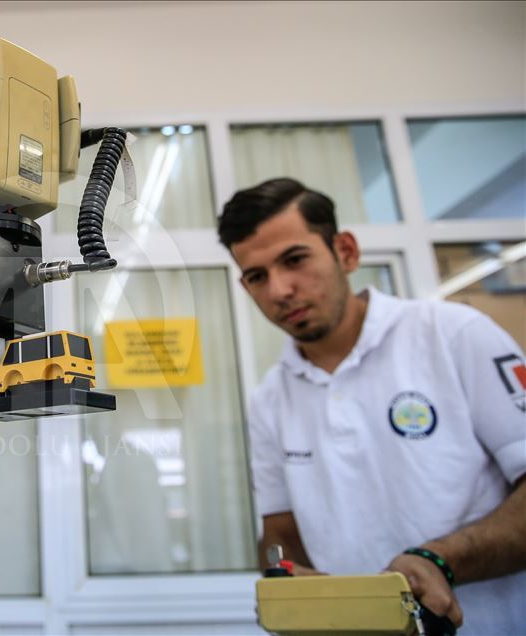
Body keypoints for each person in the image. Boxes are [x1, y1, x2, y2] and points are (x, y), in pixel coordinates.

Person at [218, 178, 526, 634]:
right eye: (257, 276)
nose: (280, 290)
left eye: (295, 260)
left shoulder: (454, 336)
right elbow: (280, 533)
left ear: (345, 252)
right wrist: (283, 575)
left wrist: (438, 560)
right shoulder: (270, 400)